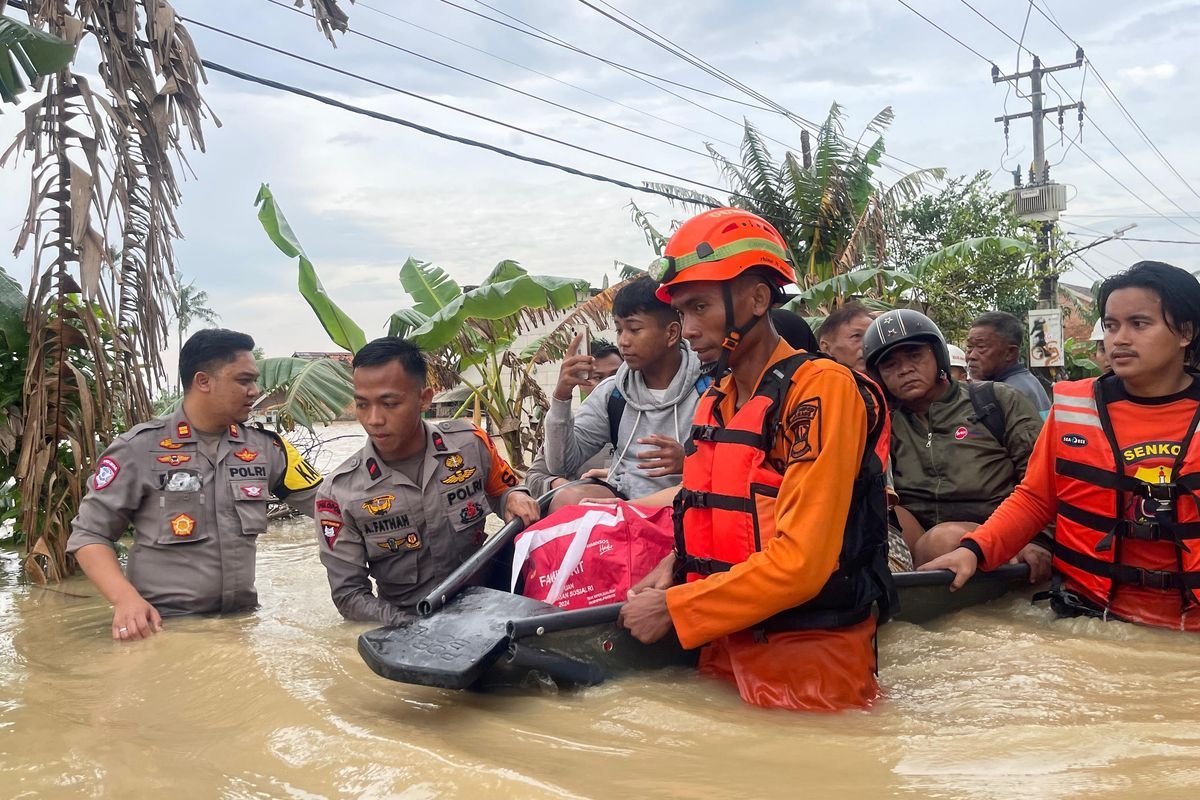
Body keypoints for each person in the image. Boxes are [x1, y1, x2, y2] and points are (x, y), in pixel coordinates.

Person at [618, 207, 895, 712]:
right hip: (725, 649)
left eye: (700, 307)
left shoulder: (820, 391)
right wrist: (676, 564)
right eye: (681, 313)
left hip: (810, 663)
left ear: (758, 298)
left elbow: (805, 564)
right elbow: (725, 513)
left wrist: (677, 608)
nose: (689, 328)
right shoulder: (717, 398)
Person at [923, 262, 1200, 632]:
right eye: (1112, 325)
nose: (1119, 339)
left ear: (1185, 332)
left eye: (1139, 324)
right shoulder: (1074, 410)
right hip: (1087, 619)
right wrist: (972, 551)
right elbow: (1035, 499)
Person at [66, 329, 323, 641]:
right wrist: (125, 599)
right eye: (243, 380)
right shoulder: (138, 449)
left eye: (254, 380)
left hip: (241, 625)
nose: (255, 391)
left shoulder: (267, 448)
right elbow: (89, 535)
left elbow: (329, 505)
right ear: (204, 381)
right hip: (164, 627)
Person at [317, 337, 540, 625]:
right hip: (408, 626)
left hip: (491, 607)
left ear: (424, 399)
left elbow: (505, 491)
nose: (373, 419)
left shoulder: (471, 445)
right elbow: (349, 596)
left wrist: (514, 497)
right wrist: (411, 627)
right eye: (362, 405)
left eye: (389, 403)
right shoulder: (339, 493)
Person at [863, 310, 1048, 570]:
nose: (905, 370)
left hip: (995, 528)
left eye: (915, 356)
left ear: (937, 356)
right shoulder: (885, 422)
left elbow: (1045, 480)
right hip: (919, 534)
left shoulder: (995, 400)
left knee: (943, 539)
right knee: (865, 521)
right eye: (889, 365)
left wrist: (1040, 541)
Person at [544, 276, 706, 508]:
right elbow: (560, 465)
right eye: (619, 330)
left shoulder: (711, 388)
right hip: (624, 503)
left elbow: (732, 467)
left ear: (671, 333)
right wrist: (561, 397)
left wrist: (689, 461)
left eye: (634, 329)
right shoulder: (614, 393)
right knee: (568, 500)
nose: (623, 341)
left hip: (687, 503)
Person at [524, 338, 623, 497]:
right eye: (598, 378)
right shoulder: (565, 428)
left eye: (615, 376)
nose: (608, 386)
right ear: (581, 382)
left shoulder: (641, 420)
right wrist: (565, 487)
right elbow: (534, 476)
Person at [965, 311, 1051, 416]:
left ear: (1010, 353)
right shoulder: (1024, 382)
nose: (971, 356)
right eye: (969, 347)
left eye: (981, 347)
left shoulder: (1011, 393)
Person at [816, 302, 873, 373]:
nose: (868, 344)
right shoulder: (822, 380)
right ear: (826, 348)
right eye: (856, 336)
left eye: (871, 336)